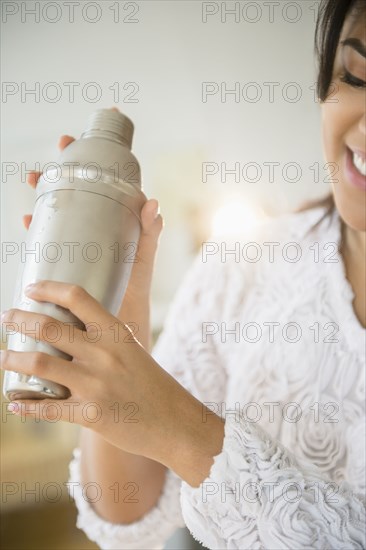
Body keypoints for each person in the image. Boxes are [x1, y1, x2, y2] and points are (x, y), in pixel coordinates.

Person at [1, 0, 365, 547]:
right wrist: (126, 331)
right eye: (356, 75)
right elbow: (130, 515)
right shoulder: (245, 262)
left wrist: (188, 436)